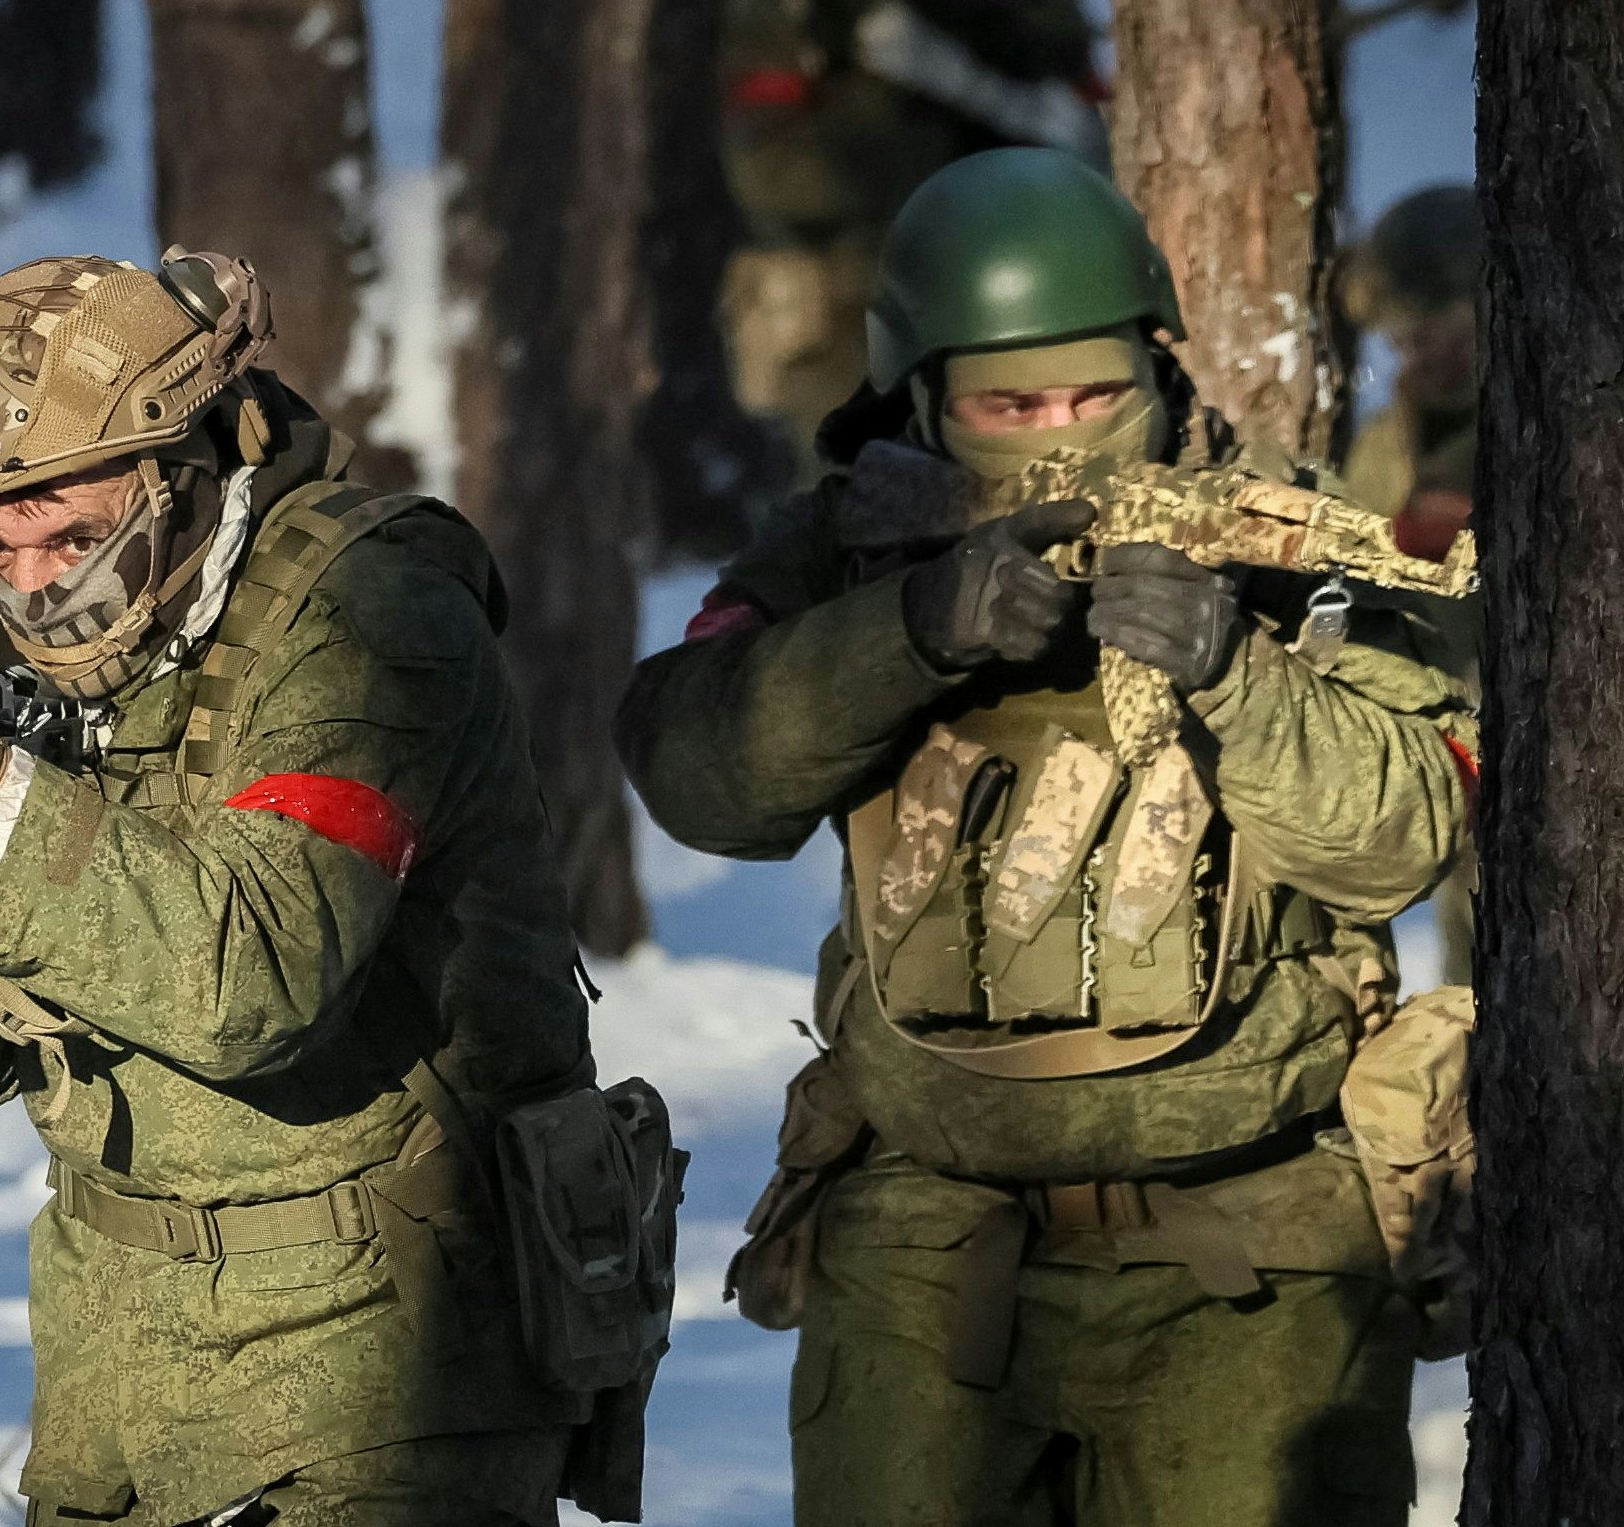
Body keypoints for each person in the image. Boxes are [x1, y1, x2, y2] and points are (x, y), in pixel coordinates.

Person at [616, 149, 1475, 1525]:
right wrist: (902, 636)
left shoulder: (1282, 537)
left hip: (1248, 1263)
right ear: (919, 394)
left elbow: (1396, 836)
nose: (1061, 431)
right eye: (1010, 403)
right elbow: (695, 773)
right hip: (921, 1250)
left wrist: (1234, 672)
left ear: (1158, 369)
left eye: (1096, 395)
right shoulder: (844, 550)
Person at [0, 251, 617, 1527]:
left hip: (383, 1370)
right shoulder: (12, 643)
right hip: (121, 1374)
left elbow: (250, 985)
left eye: (74, 536)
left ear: (182, 474)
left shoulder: (367, 616)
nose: (33, 589)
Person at [719, 0, 1106, 478]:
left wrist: (961, 80)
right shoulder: (790, 18)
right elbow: (774, 175)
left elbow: (1092, 125)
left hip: (1015, 305)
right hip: (854, 325)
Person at [1341, 182, 1483, 983]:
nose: (1424, 358)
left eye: (1444, 334)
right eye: (1405, 342)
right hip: (1439, 767)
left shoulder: (1558, 416)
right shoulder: (1381, 448)